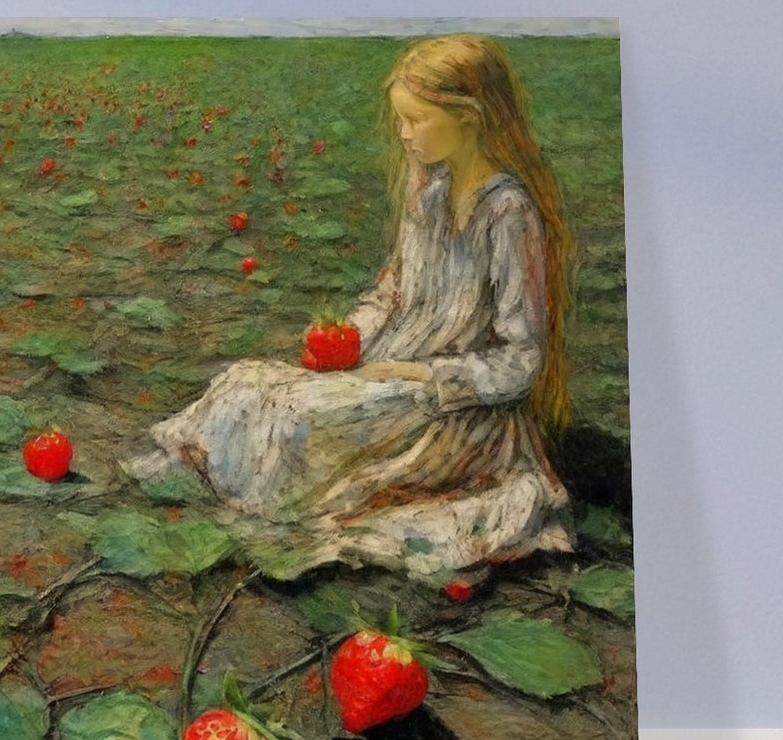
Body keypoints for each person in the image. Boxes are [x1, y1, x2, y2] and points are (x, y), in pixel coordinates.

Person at [118, 32, 579, 586]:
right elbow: (392, 293)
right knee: (243, 384)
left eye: (416, 119)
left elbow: (520, 361)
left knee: (297, 422)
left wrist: (419, 375)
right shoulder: (428, 192)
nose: (404, 135)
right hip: (388, 373)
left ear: (470, 118)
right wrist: (348, 340)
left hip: (455, 410)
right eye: (400, 121)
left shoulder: (506, 213)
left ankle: (268, 502)